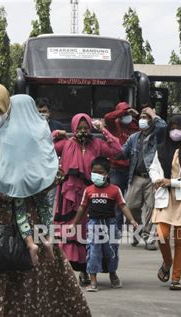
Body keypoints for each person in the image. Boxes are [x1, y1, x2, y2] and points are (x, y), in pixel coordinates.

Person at [0, 83, 91, 316]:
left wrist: (36, 176)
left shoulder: (28, 141)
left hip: (29, 225)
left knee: (31, 292)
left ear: (8, 110)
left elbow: (53, 178)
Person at [0, 94, 59, 267]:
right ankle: (48, 238)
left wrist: (3, 183)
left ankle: (31, 243)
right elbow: (49, 151)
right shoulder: (42, 126)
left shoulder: (6, 129)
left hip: (16, 180)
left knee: (20, 212)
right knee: (45, 208)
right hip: (39, 178)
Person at [52, 113, 123, 285]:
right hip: (68, 197)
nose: (83, 131)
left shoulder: (98, 145)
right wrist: (55, 134)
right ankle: (71, 270)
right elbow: (42, 146)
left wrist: (104, 130)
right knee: (69, 232)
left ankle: (90, 269)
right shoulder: (66, 144)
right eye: (80, 128)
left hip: (93, 197)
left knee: (91, 233)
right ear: (74, 128)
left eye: (86, 127)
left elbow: (118, 150)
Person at [149, 114, 181, 291]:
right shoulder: (161, 148)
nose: (175, 132)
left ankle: (176, 278)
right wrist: (158, 179)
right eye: (172, 128)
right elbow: (153, 168)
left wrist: (171, 182)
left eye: (179, 128)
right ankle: (167, 262)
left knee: (180, 240)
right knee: (161, 234)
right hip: (165, 196)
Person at [72, 156, 139, 292]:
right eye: (94, 172)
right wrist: (74, 224)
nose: (97, 175)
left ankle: (113, 274)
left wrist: (132, 220)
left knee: (111, 251)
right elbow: (82, 208)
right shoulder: (88, 190)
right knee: (93, 251)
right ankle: (93, 281)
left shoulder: (114, 190)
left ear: (107, 173)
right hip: (94, 224)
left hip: (110, 225)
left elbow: (123, 206)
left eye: (100, 172)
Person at [120, 106, 167, 250]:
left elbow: (163, 126)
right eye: (141, 117)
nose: (142, 120)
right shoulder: (133, 138)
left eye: (146, 117)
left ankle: (148, 238)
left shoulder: (158, 135)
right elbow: (122, 152)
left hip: (153, 178)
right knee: (130, 207)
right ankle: (137, 232)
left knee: (151, 208)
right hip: (136, 177)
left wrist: (153, 114)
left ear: (152, 120)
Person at [104, 102, 139, 230]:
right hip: (116, 168)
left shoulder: (135, 125)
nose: (127, 115)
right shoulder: (114, 125)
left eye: (128, 112)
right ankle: (117, 228)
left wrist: (138, 115)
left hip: (133, 169)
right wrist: (124, 112)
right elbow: (108, 117)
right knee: (116, 200)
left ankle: (134, 227)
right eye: (124, 113)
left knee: (133, 201)